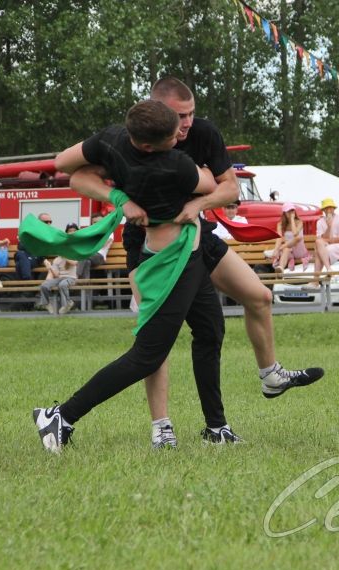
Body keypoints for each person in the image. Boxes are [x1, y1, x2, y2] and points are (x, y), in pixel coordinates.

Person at [54, 77, 323, 446]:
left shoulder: (198, 136)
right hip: (150, 248)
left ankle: (248, 397)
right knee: (154, 345)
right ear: (157, 120)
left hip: (197, 236)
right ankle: (160, 427)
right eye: (180, 117)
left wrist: (196, 206)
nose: (188, 124)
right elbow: (73, 172)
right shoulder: (131, 146)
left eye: (192, 113)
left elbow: (226, 186)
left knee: (249, 303)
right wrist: (120, 199)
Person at [36, 98, 226, 452]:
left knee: (212, 328)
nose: (181, 137)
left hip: (189, 254)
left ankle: (218, 427)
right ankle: (60, 416)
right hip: (169, 262)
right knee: (148, 355)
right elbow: (211, 183)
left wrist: (119, 196)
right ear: (148, 145)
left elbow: (67, 167)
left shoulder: (113, 141)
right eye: (174, 135)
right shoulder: (173, 165)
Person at [38, 223, 80, 315]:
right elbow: (56, 275)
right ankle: (46, 303)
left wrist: (65, 256)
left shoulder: (72, 254)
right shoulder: (57, 259)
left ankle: (68, 303)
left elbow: (74, 263)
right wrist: (50, 267)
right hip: (60, 278)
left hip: (70, 278)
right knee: (44, 285)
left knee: (62, 284)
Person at [314, 198, 339, 273]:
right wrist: (329, 227)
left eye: (331, 207)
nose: (329, 210)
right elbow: (320, 241)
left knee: (319, 251)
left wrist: (326, 241)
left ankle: (316, 281)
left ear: (334, 208)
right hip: (327, 247)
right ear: (323, 210)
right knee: (319, 244)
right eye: (326, 208)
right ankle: (328, 269)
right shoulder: (320, 222)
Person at [271, 203, 310, 271]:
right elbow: (279, 238)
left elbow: (295, 234)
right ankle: (281, 268)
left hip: (299, 250)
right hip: (288, 250)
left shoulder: (299, 222)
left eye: (292, 210)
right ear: (284, 213)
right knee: (286, 249)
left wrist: (292, 219)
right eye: (288, 211)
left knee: (297, 238)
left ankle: (282, 248)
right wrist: (276, 250)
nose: (291, 212)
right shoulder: (280, 224)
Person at [14, 212, 52, 280]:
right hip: (26, 257)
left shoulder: (50, 234)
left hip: (37, 258)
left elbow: (43, 250)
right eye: (46, 222)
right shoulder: (31, 231)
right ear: (38, 222)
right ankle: (27, 281)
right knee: (20, 255)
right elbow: (20, 246)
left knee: (19, 262)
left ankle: (26, 281)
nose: (49, 223)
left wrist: (31, 244)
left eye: (50, 222)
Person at [76, 212, 115, 279]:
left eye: (99, 221)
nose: (97, 223)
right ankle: (85, 285)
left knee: (83, 257)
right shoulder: (91, 233)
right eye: (95, 222)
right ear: (91, 223)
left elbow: (103, 245)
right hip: (90, 257)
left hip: (100, 257)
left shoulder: (108, 231)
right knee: (87, 262)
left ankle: (76, 276)